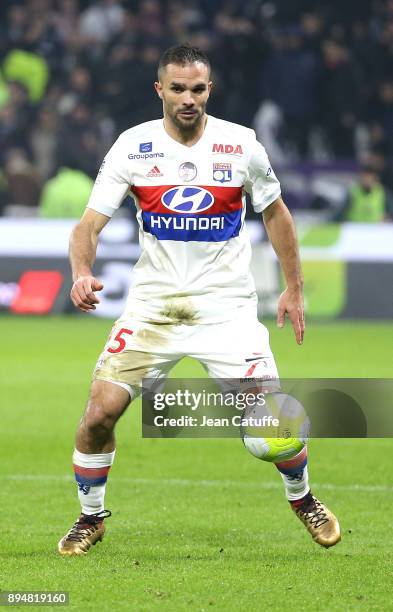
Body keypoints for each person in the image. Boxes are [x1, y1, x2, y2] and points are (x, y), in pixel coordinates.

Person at [58, 44, 341, 556]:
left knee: (271, 429)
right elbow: (88, 225)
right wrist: (81, 271)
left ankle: (303, 499)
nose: (188, 98)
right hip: (153, 310)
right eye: (177, 88)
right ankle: (90, 517)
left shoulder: (241, 145)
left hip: (227, 310)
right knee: (99, 414)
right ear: (159, 90)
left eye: (198, 88)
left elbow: (275, 214)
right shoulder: (132, 147)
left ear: (209, 89)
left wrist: (294, 286)